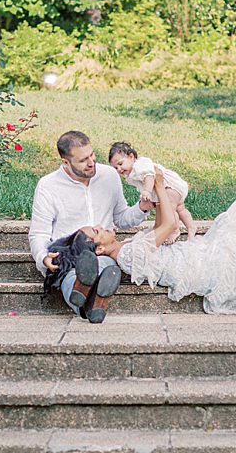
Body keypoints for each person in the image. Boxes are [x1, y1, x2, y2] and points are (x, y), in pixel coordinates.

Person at [53, 170, 236, 315]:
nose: (103, 226)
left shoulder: (127, 248)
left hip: (197, 254)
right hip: (202, 266)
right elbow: (170, 226)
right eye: (98, 231)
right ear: (100, 249)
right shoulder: (128, 256)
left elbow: (160, 226)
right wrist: (160, 187)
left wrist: (161, 199)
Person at [29, 130, 152, 323]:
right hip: (68, 250)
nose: (91, 162)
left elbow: (121, 217)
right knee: (71, 271)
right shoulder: (48, 186)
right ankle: (90, 300)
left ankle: (85, 305)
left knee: (103, 264)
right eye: (83, 160)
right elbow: (38, 233)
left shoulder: (109, 175)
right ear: (66, 163)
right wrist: (42, 256)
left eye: (92, 155)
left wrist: (141, 208)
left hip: (99, 248)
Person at [108, 141, 196, 243]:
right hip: (173, 187)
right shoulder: (132, 171)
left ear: (131, 157)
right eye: (115, 168)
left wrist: (147, 191)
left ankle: (174, 230)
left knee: (169, 210)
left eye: (120, 164)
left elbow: (149, 175)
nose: (119, 169)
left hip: (168, 186)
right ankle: (191, 227)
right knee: (180, 209)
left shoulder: (139, 165)